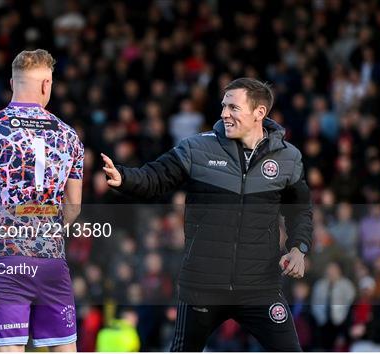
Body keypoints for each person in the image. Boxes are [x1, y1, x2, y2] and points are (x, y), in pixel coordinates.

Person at [102, 78, 312, 351]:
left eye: (233, 108)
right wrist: (125, 177)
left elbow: (300, 210)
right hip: (203, 285)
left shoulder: (288, 158)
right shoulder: (197, 149)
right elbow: (156, 177)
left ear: (259, 113)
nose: (224, 113)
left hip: (260, 287)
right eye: (224, 106)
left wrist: (298, 248)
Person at [0, 49, 84, 351]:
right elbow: (74, 208)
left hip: (5, 259)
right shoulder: (68, 136)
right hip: (51, 262)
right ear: (46, 85)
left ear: (12, 84)